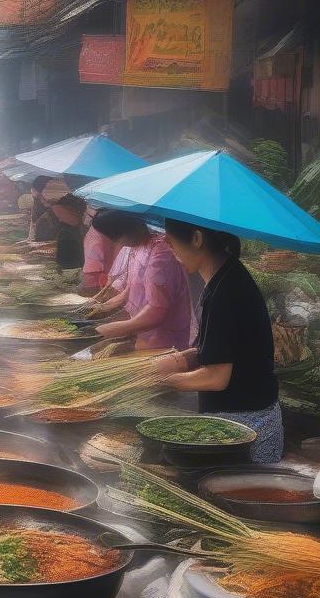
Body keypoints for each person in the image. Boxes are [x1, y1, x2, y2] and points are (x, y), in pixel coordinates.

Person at [158, 220, 283, 463]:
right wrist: (179, 360)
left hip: (245, 426)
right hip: (243, 417)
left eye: (172, 244)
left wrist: (160, 382)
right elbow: (220, 348)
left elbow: (216, 377)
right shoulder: (224, 276)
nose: (173, 254)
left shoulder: (225, 291)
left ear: (196, 238)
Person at [89, 210, 193, 351]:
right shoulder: (136, 248)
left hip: (165, 341)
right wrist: (103, 307)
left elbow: (156, 312)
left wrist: (113, 329)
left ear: (126, 232)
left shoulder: (161, 254)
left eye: (116, 238)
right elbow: (130, 289)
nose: (118, 243)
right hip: (143, 333)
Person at [51, 193, 87, 270]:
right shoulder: (81, 228)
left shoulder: (66, 233)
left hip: (73, 270)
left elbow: (62, 260)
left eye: (61, 215)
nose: (59, 219)